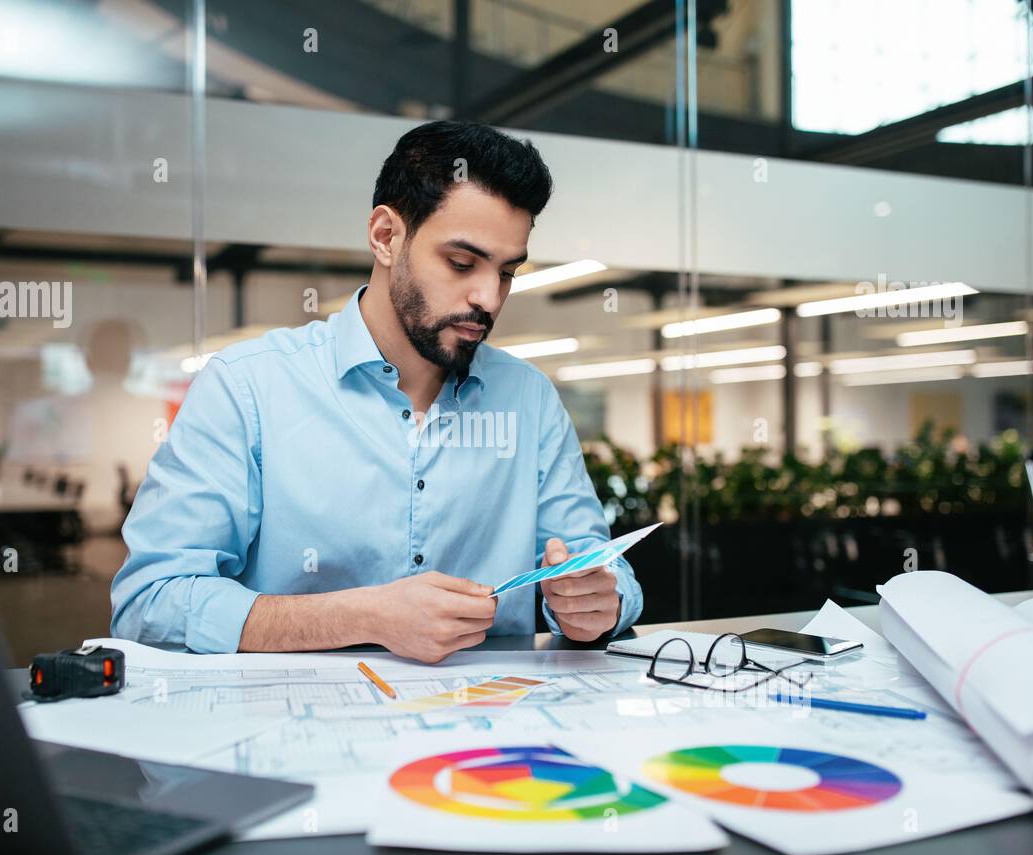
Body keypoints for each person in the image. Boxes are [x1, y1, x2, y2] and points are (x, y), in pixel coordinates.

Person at [111, 120, 642, 662]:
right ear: (386, 237)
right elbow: (151, 601)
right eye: (461, 263)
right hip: (294, 714)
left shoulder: (529, 399)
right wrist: (365, 616)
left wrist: (595, 603)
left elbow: (599, 566)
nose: (488, 298)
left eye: (507, 272)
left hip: (488, 713)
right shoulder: (247, 386)